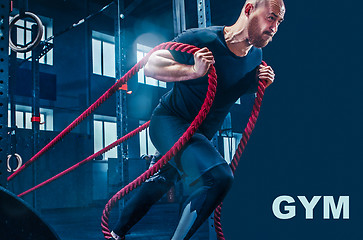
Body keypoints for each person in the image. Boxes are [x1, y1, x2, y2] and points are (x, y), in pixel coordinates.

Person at [111, 0, 285, 239]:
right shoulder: (202, 39)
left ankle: (116, 233)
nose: (274, 27)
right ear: (249, 10)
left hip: (198, 135)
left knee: (161, 181)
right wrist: (193, 71)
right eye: (271, 17)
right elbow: (152, 66)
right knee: (218, 178)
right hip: (169, 122)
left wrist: (257, 81)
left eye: (279, 22)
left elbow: (229, 84)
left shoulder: (256, 56)